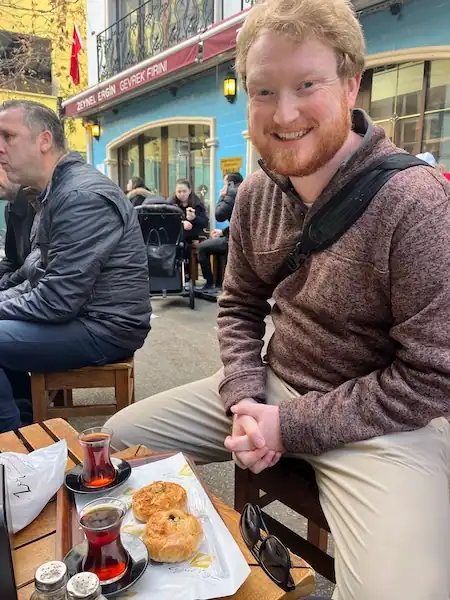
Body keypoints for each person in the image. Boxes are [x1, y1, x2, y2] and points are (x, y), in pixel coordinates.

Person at [106, 1, 450, 598]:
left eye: (306, 85)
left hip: (382, 426)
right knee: (116, 445)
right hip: (273, 386)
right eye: (264, 90)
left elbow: (432, 377)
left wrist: (290, 426)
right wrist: (243, 395)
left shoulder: (416, 206)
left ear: (351, 84)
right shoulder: (258, 191)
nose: (284, 113)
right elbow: (239, 305)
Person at [0, 99, 151, 432]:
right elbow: (39, 278)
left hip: (107, 326)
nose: (0, 148)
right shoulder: (54, 193)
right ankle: (26, 427)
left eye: (7, 136)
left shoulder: (79, 195)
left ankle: (13, 451)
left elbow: (56, 301)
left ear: (44, 140)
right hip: (86, 315)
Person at [197, 172, 243, 291]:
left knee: (202, 247)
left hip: (234, 242)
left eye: (224, 184)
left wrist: (222, 196)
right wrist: (222, 232)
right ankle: (218, 283)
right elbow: (238, 222)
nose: (223, 187)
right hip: (241, 239)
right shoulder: (244, 191)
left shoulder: (233, 193)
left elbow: (219, 215)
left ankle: (209, 283)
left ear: (230, 184)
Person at [0, 166, 37, 290]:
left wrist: (5, 282)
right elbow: (12, 260)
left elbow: (36, 266)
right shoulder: (10, 208)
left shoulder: (37, 205)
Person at [169, 178, 208, 243]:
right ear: (175, 192)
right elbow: (167, 220)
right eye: (179, 192)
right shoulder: (171, 203)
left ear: (189, 191)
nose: (182, 194)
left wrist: (194, 218)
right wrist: (182, 223)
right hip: (175, 234)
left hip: (193, 234)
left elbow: (205, 223)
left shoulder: (197, 203)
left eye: (184, 191)